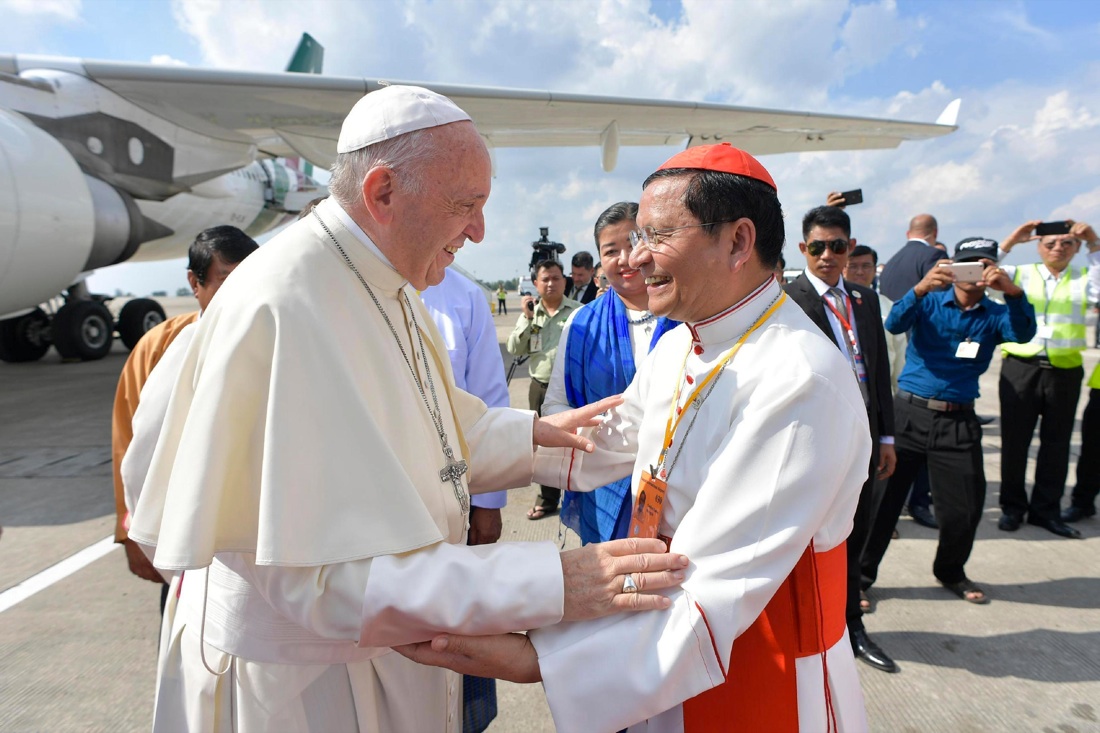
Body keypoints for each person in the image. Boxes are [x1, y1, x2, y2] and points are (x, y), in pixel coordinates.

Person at [127, 85, 687, 732]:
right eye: (465, 205)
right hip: (304, 688)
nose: (478, 230)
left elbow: (434, 431)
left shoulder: (383, 281)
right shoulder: (283, 308)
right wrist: (552, 580)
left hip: (382, 659)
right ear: (384, 192)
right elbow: (316, 577)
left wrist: (540, 436)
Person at [400, 143, 872, 732]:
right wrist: (432, 449)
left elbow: (716, 582)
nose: (636, 259)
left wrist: (539, 657)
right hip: (660, 628)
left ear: (738, 241)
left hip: (754, 663)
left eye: (656, 236)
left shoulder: (798, 380)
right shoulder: (683, 339)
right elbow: (601, 443)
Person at [862, 237, 1036, 605]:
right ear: (952, 267)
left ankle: (950, 571)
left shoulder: (995, 313)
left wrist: (1014, 293)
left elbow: (1022, 335)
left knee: (965, 509)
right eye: (967, 263)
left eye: (984, 264)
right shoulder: (928, 301)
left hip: (958, 419)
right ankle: (861, 576)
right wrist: (920, 289)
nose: (975, 271)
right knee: (882, 504)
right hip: (909, 414)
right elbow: (894, 323)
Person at [111, 225, 258, 599]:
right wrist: (130, 531)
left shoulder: (273, 340)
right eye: (226, 279)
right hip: (181, 537)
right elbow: (129, 443)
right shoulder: (161, 346)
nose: (241, 292)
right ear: (195, 283)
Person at [785, 206, 899, 674]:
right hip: (816, 440)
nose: (827, 255)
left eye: (836, 246)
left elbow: (879, 370)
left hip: (866, 438)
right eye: (817, 247)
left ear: (850, 248)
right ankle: (813, 626)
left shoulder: (865, 298)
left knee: (856, 532)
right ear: (803, 250)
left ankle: (852, 626)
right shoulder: (786, 300)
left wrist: (886, 435)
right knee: (813, 536)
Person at [542, 201, 679, 544]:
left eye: (634, 242)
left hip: (679, 488)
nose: (625, 258)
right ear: (600, 260)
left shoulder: (688, 317)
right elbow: (556, 404)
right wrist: (602, 444)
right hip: (601, 486)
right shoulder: (581, 325)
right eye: (611, 250)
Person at [420, 267, 509, 733]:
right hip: (388, 515)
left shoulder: (464, 296)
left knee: (461, 623)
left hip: (456, 503)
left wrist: (489, 502)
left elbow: (490, 397)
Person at [996, 219, 1100, 539]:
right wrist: (1012, 240)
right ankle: (1012, 508)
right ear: (1038, 246)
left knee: (1056, 444)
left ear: (1077, 248)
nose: (1058, 248)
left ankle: (1046, 511)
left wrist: (1095, 242)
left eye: (1067, 243)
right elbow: (980, 271)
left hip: (1064, 371)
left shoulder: (1084, 277)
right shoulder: (1020, 273)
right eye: (1050, 243)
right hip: (1021, 367)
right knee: (1015, 442)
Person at [507, 259, 583, 519]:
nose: (551, 283)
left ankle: (582, 497)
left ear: (565, 281)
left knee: (580, 441)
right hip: (539, 387)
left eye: (556, 278)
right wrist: (528, 319)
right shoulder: (531, 314)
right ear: (536, 284)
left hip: (572, 387)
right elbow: (515, 349)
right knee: (543, 447)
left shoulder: (578, 312)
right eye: (545, 279)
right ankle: (548, 500)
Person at [878, 213, 949, 301]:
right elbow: (941, 298)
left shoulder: (890, 263)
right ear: (935, 233)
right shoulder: (934, 255)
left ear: (908, 234)